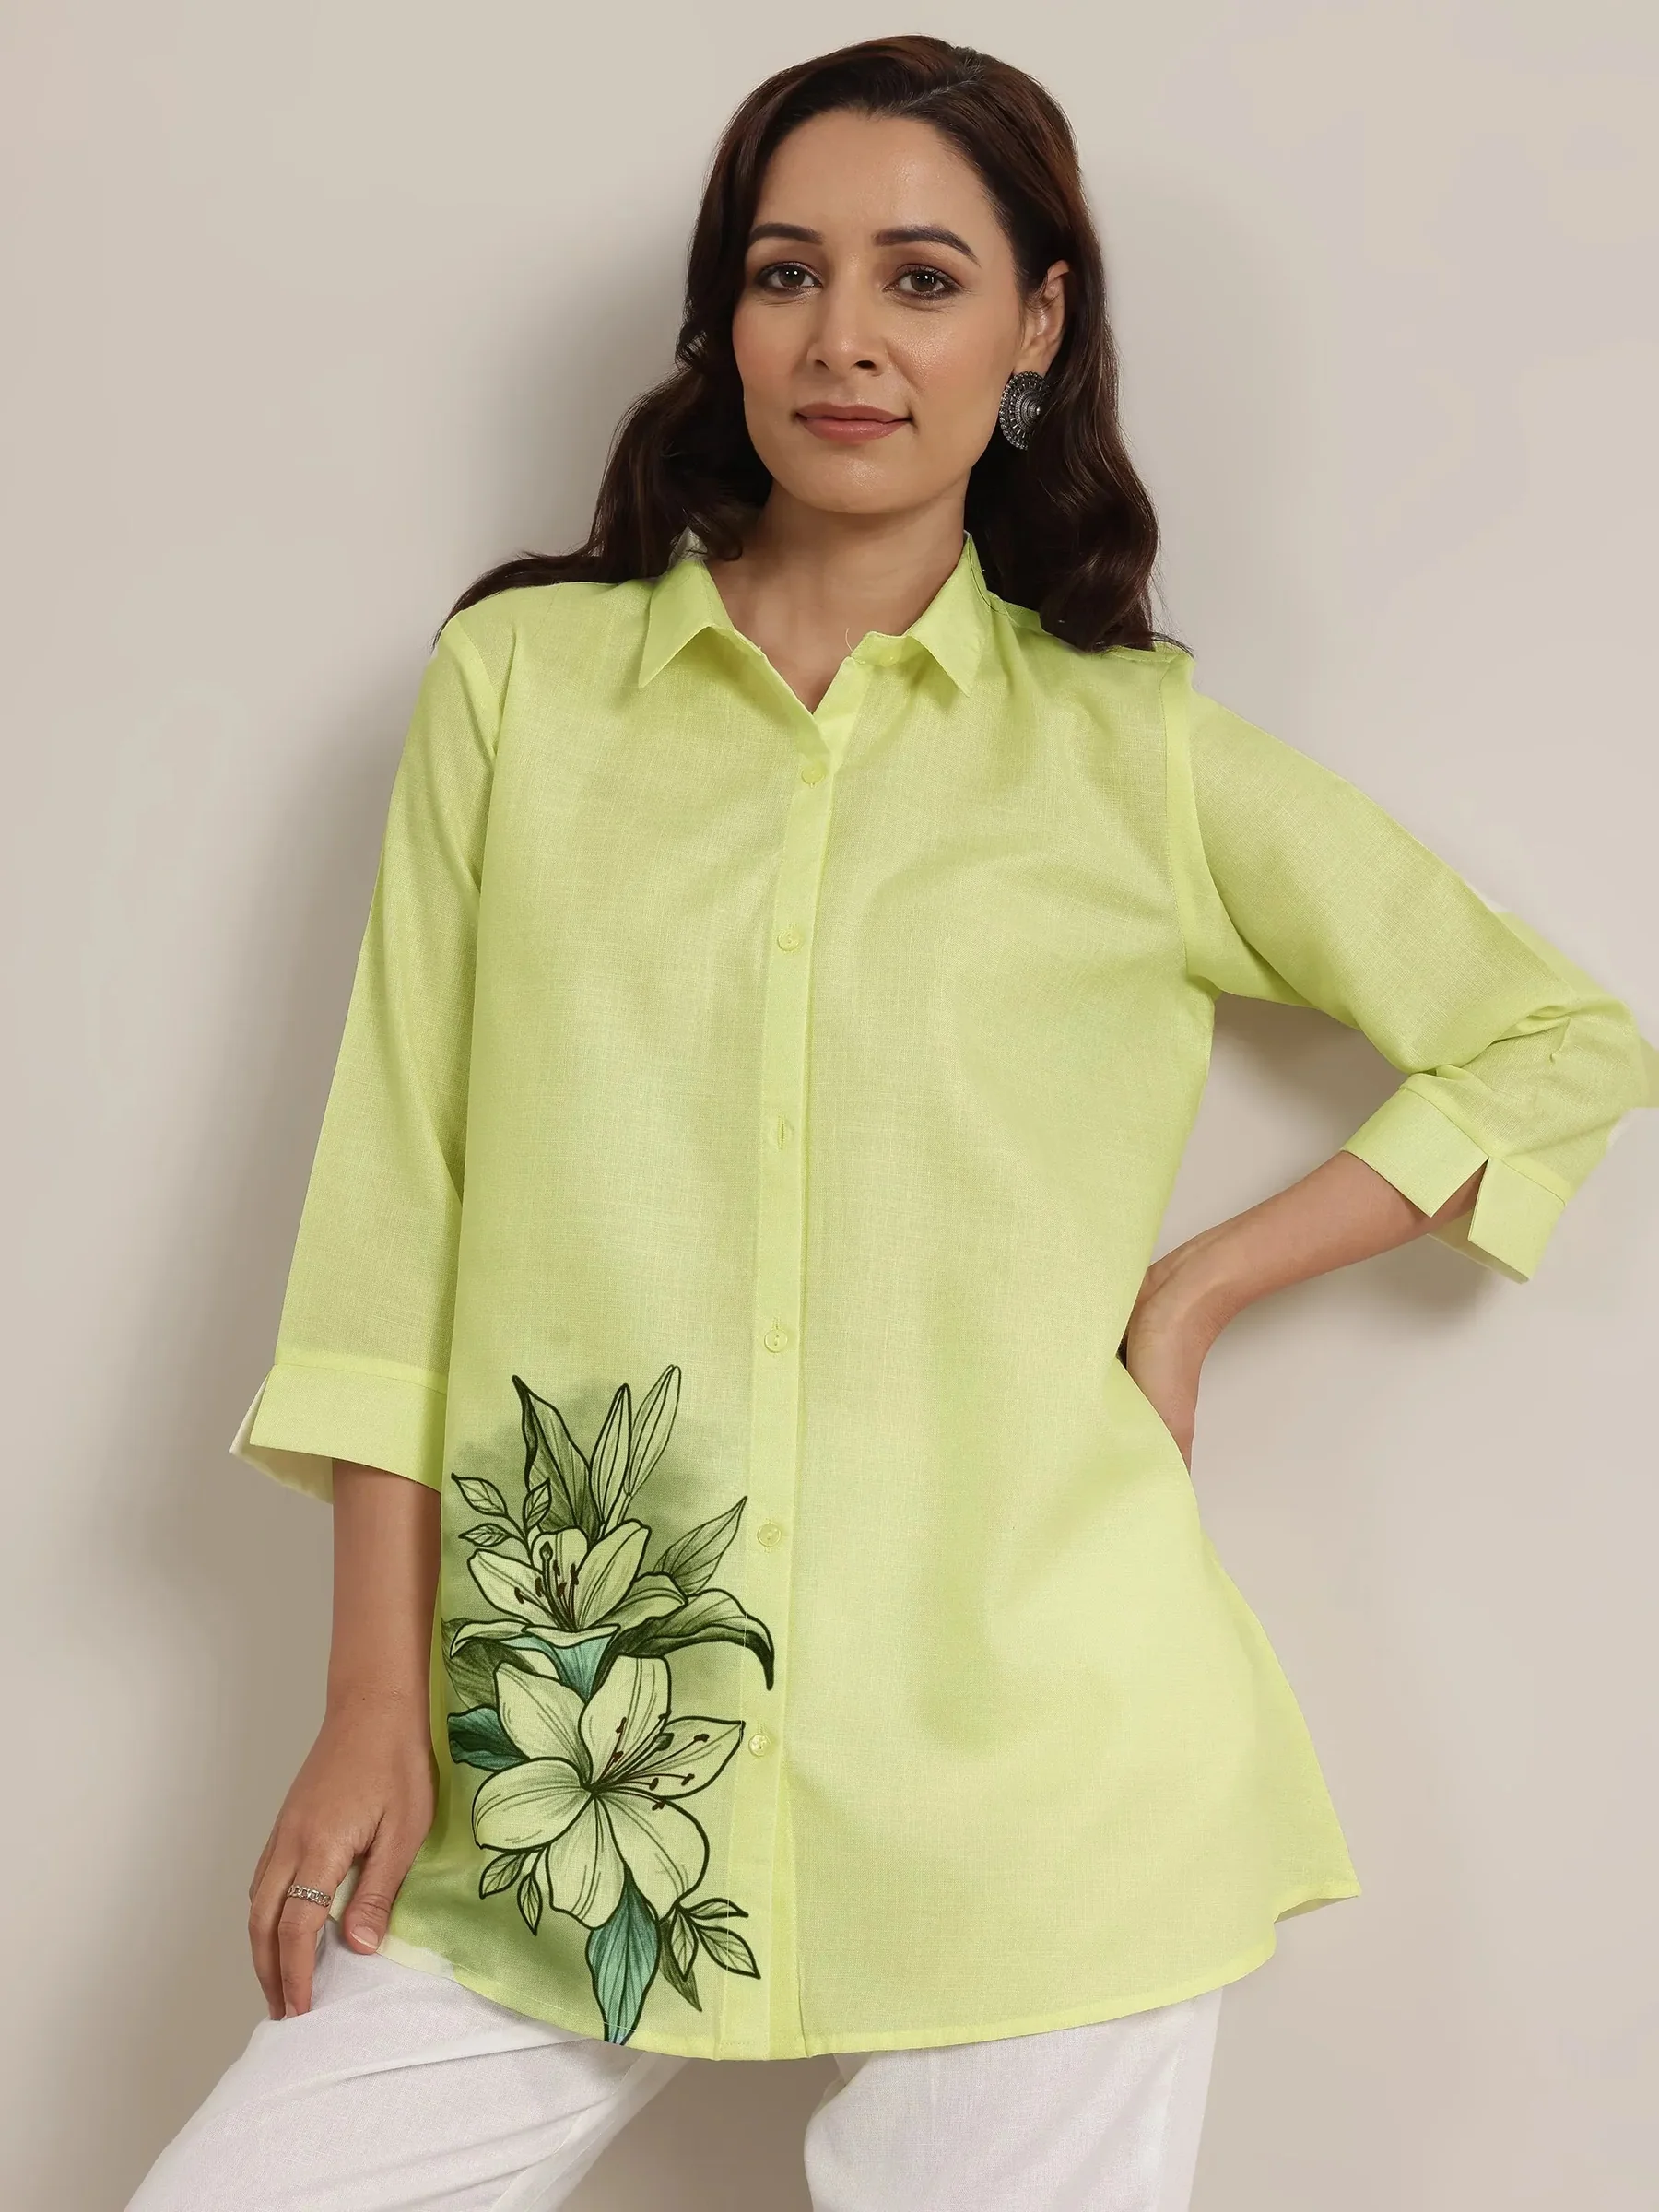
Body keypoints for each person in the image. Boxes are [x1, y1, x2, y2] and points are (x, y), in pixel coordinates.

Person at [126, 33, 1653, 2212]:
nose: (843, 336)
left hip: (1032, 1793)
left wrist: (1203, 1289)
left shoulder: (1131, 755)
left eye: (922, 278)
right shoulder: (521, 697)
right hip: (571, 1772)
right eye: (787, 273)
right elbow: (396, 1221)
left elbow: (1555, 1038)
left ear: (1037, 326)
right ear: (726, 321)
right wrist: (372, 1696)